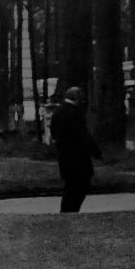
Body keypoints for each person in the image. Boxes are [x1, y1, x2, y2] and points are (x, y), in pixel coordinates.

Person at [48, 80, 97, 215]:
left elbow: (54, 132)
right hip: (78, 156)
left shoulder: (59, 111)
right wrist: (94, 150)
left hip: (64, 155)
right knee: (81, 184)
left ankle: (67, 211)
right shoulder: (75, 112)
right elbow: (82, 133)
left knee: (70, 185)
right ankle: (71, 211)